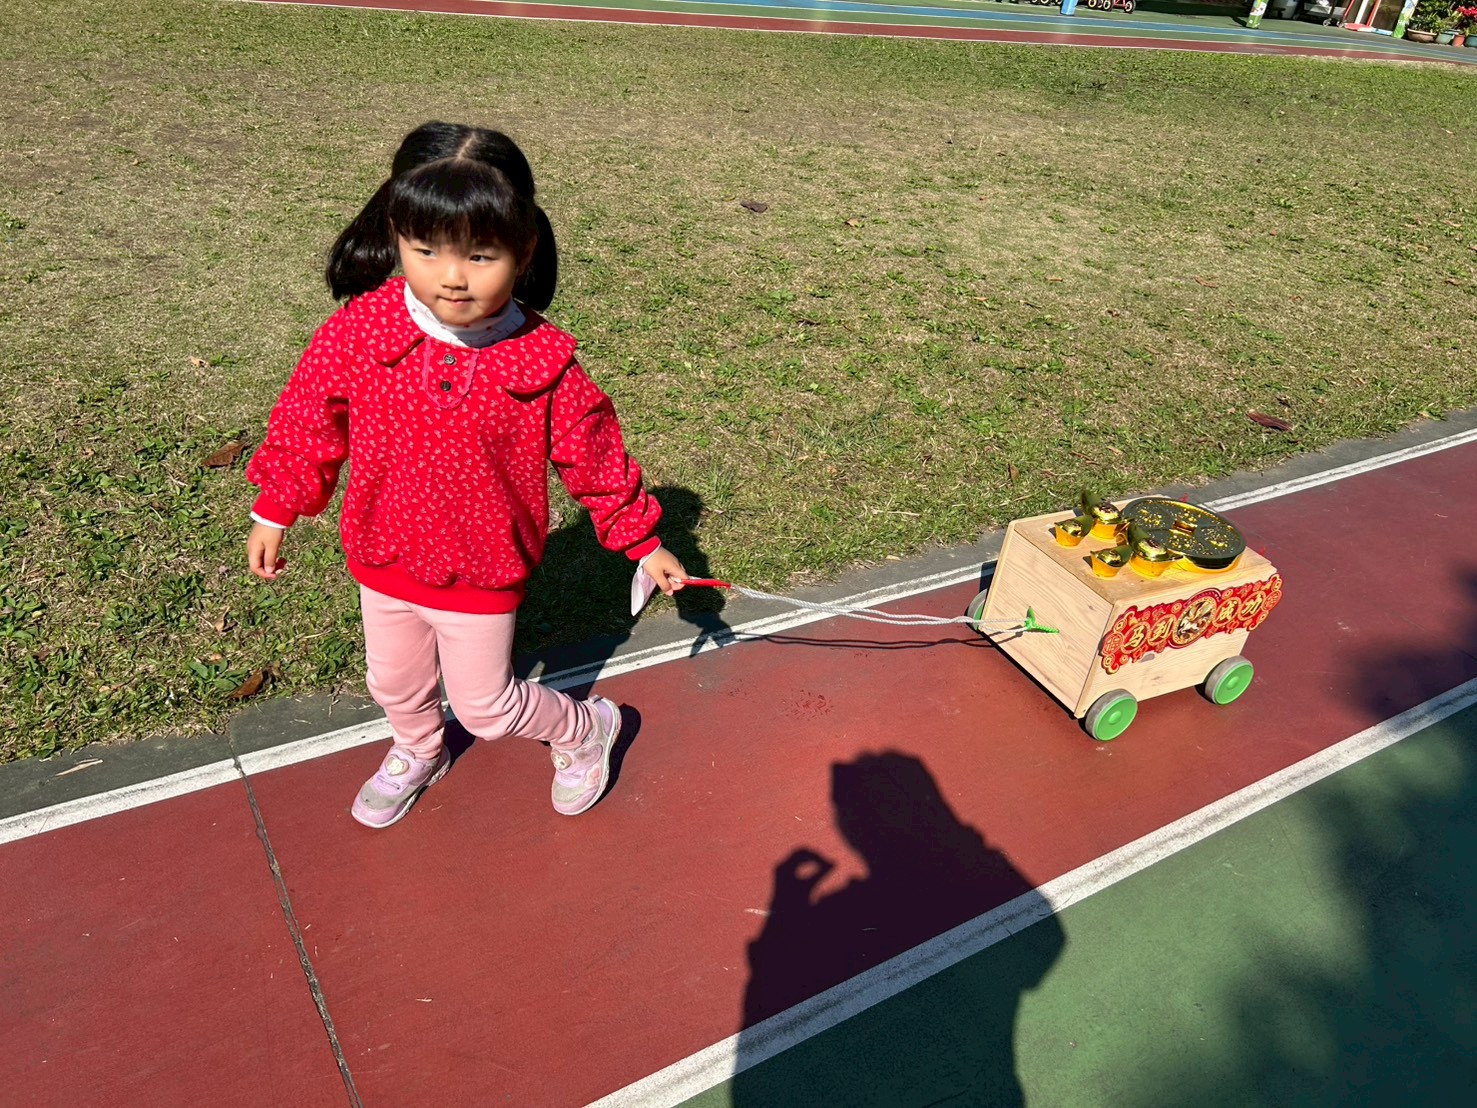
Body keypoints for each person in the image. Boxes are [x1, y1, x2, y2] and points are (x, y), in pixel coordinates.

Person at [244, 121, 687, 829]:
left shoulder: (541, 360)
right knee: (393, 683)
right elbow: (308, 416)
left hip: (482, 565)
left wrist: (642, 541)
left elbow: (595, 455)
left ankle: (585, 728)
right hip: (383, 552)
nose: (451, 277)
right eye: (426, 251)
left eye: (480, 256)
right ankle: (418, 749)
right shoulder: (362, 329)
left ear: (523, 249)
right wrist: (276, 507)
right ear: (396, 236)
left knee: (486, 707)